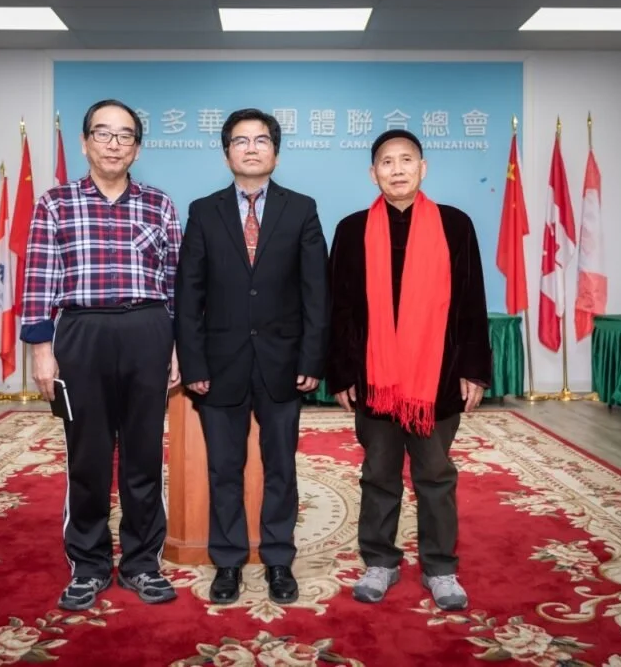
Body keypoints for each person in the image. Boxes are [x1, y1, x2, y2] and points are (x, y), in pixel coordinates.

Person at [20, 98, 183, 610]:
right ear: (85, 141)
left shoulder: (159, 204)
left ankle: (141, 563)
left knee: (144, 455)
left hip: (147, 330)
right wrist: (42, 352)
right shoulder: (55, 203)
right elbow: (38, 279)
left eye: (125, 135)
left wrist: (177, 346)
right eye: (104, 133)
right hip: (81, 334)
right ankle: (88, 566)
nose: (114, 144)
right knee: (87, 457)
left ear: (137, 147)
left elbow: (176, 282)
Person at [325, 128, 491, 610]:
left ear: (423, 167)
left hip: (437, 377)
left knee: (435, 475)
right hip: (374, 378)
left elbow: (471, 301)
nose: (396, 170)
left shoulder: (454, 225)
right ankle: (380, 560)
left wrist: (474, 369)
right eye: (386, 162)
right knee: (378, 473)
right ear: (372, 172)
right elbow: (341, 309)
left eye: (406, 160)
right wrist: (342, 373)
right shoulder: (352, 229)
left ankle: (441, 567)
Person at [175, 108, 329, 605]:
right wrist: (194, 364)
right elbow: (189, 293)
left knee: (281, 467)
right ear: (227, 155)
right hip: (219, 365)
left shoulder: (301, 208)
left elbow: (316, 292)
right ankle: (227, 560)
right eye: (240, 141)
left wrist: (311, 359)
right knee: (224, 469)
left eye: (261, 140)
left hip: (284, 363)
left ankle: (279, 558)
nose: (251, 148)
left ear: (275, 153)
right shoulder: (204, 211)